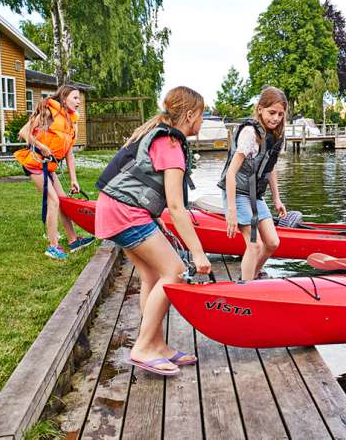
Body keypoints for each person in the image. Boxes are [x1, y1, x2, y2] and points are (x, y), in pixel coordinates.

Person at [95, 86, 211, 376]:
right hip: (125, 212)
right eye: (202, 115)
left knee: (151, 274)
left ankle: (157, 344)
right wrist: (198, 253)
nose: (203, 121)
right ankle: (144, 347)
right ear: (189, 114)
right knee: (175, 272)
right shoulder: (171, 145)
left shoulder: (160, 134)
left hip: (114, 208)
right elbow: (175, 206)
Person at [14, 85, 94, 260]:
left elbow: (69, 152)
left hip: (49, 167)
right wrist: (42, 147)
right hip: (34, 163)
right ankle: (52, 246)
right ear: (64, 99)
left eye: (79, 98)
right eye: (75, 98)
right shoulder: (49, 112)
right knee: (53, 200)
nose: (78, 101)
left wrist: (74, 179)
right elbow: (24, 132)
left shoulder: (71, 121)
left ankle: (73, 241)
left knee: (63, 201)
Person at [218, 86, 288, 280]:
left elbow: (269, 168)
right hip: (237, 192)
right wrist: (231, 210)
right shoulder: (250, 133)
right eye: (271, 112)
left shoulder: (275, 135)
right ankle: (246, 288)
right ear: (259, 109)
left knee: (272, 243)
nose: (276, 118)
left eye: (280, 114)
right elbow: (231, 173)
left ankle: (251, 277)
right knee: (254, 244)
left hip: (255, 195)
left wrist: (277, 199)